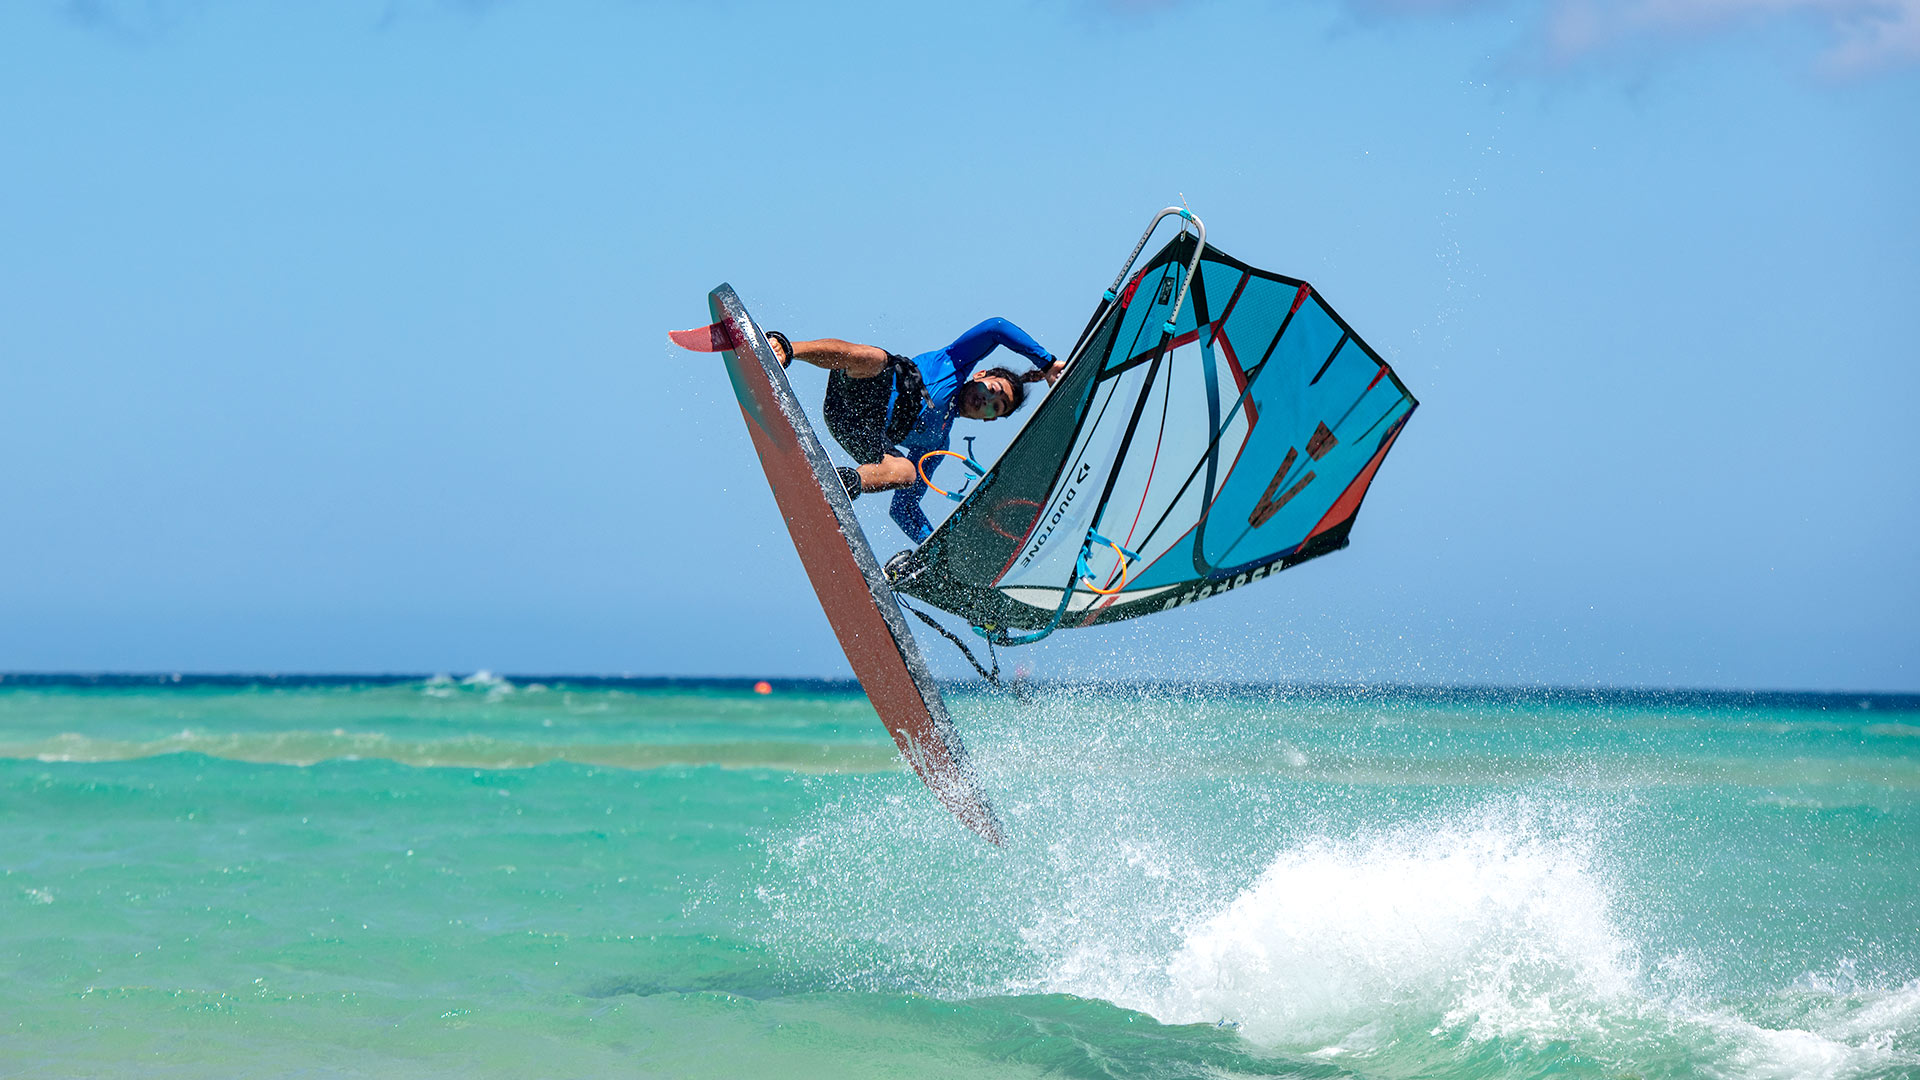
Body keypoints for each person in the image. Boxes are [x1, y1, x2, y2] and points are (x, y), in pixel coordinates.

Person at [765, 318, 1065, 542]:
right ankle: (786, 349)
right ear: (981, 375)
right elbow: (997, 327)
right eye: (993, 390)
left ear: (987, 420)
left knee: (907, 473)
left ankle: (842, 484)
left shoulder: (937, 443)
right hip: (857, 384)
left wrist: (936, 551)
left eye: (996, 407)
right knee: (876, 358)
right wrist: (1047, 362)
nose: (987, 400)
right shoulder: (953, 362)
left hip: (850, 426)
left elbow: (904, 511)